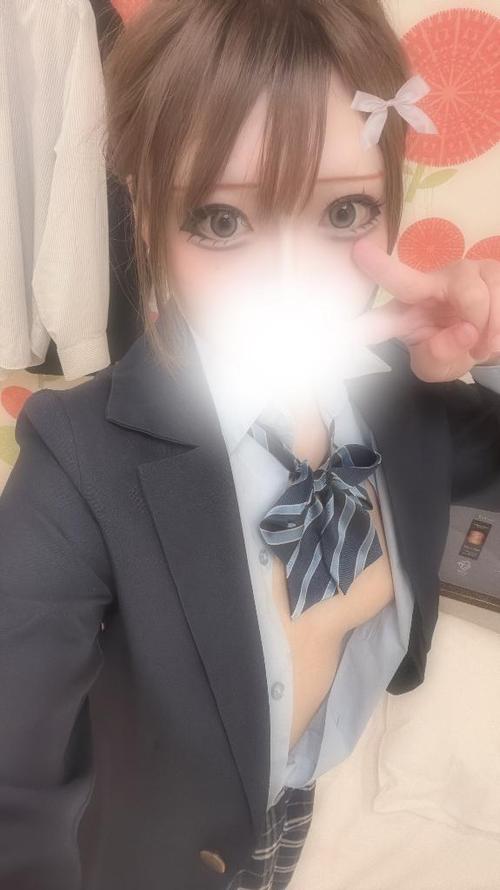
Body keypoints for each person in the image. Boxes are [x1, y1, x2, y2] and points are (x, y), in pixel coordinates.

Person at [1, 2, 500, 888]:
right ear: (147, 220)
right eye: (223, 221)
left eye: (344, 210)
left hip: (297, 796)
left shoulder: (401, 400)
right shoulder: (77, 460)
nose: (289, 278)